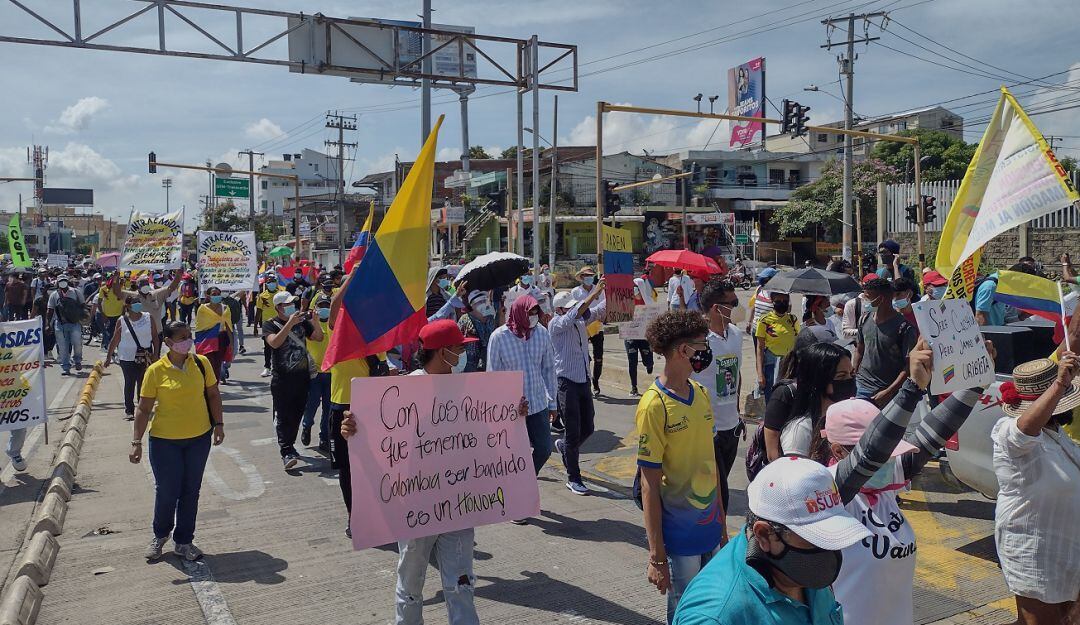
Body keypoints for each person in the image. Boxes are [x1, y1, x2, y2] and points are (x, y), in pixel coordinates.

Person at [341, 319, 524, 625]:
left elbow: (488, 432)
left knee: (461, 583)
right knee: (411, 585)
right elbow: (375, 438)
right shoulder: (403, 391)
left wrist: (513, 414)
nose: (463, 354)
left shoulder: (469, 389)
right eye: (458, 348)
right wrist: (352, 429)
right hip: (414, 511)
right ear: (442, 352)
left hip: (458, 506)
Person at [821, 338, 988, 625]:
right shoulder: (832, 490)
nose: (889, 462)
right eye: (884, 455)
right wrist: (911, 389)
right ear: (838, 451)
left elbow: (930, 437)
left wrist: (976, 381)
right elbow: (872, 453)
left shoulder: (882, 488)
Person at [672, 456, 872, 625]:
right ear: (764, 535)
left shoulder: (800, 573)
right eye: (814, 539)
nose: (828, 550)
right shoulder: (714, 615)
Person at [637, 310, 726, 624]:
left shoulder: (701, 394)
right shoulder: (654, 405)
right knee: (685, 611)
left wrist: (723, 527)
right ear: (682, 351)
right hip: (680, 535)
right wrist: (656, 556)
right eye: (701, 345)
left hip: (711, 529)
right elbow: (648, 484)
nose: (706, 351)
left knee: (714, 604)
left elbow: (711, 466)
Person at [993, 355, 1080, 624]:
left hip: (1064, 547)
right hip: (1033, 549)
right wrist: (1058, 387)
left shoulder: (1057, 433)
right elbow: (1024, 431)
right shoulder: (1007, 430)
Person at [129, 320, 225, 562]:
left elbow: (213, 394)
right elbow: (143, 408)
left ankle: (184, 541)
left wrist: (219, 425)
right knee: (167, 491)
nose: (187, 341)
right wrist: (136, 441)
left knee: (191, 491)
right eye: (181, 338)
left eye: (189, 336)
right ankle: (160, 535)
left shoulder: (202, 364)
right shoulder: (155, 371)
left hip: (198, 438)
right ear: (169, 343)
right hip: (165, 441)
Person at [487, 295, 557, 498]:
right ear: (518, 312)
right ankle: (516, 499)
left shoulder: (542, 334)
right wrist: (501, 406)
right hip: (512, 410)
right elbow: (493, 375)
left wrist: (552, 403)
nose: (534, 317)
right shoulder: (499, 337)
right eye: (530, 313)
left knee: (544, 449)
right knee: (515, 456)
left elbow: (548, 369)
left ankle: (524, 482)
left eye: (536, 312)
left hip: (537, 404)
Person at [690, 278, 745, 510]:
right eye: (732, 303)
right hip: (705, 429)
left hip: (730, 427)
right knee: (718, 493)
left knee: (718, 487)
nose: (737, 307)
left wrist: (738, 412)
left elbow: (737, 373)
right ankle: (715, 541)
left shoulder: (735, 334)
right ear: (716, 308)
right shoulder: (697, 340)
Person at [549, 281, 606, 495]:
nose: (576, 309)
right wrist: (595, 292)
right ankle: (574, 477)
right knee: (573, 431)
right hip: (566, 382)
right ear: (559, 309)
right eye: (570, 307)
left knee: (588, 427)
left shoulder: (579, 321)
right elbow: (576, 313)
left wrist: (616, 292)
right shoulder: (556, 324)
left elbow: (598, 311)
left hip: (583, 380)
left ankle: (565, 447)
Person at [763, 342, 854, 462]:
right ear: (820, 380)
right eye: (841, 376)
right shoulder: (800, 431)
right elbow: (795, 476)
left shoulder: (841, 417)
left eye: (852, 374)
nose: (850, 381)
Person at [263, 291, 321, 469]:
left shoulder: (302, 322)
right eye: (287, 304)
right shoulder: (270, 324)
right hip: (282, 379)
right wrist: (289, 323)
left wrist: (316, 322)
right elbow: (274, 342)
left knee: (297, 414)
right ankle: (286, 450)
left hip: (302, 378)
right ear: (278, 307)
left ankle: (290, 445)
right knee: (283, 416)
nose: (291, 307)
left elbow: (318, 337)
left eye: (292, 303)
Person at [853, 278, 918, 406]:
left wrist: (889, 391)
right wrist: (853, 376)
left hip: (885, 394)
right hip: (860, 387)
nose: (864, 300)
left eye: (867, 297)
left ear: (881, 299)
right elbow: (859, 350)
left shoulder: (904, 328)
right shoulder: (864, 319)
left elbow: (909, 366)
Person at [105, 296, 160, 420]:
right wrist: (109, 357)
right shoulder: (122, 320)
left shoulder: (148, 317)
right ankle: (129, 410)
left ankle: (142, 408)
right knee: (130, 382)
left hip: (146, 356)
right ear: (128, 306)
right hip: (127, 357)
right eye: (135, 303)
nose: (138, 305)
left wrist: (156, 354)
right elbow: (115, 339)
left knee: (143, 383)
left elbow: (155, 337)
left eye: (139, 302)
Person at [301, 293, 332, 451]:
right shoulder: (308, 325)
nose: (325, 309)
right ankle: (306, 426)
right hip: (314, 373)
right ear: (316, 308)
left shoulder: (335, 325)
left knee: (328, 407)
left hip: (332, 373)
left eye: (328, 306)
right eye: (322, 306)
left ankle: (324, 437)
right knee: (312, 403)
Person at [754, 291, 797, 403]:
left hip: (790, 364)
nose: (782, 303)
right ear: (772, 302)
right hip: (771, 364)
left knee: (789, 396)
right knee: (772, 397)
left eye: (785, 301)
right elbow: (759, 348)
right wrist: (760, 374)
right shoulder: (764, 321)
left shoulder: (793, 320)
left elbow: (798, 341)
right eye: (778, 301)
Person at [570, 266, 606, 398]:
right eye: (586, 275)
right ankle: (586, 381)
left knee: (599, 357)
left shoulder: (600, 290)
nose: (589, 278)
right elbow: (573, 309)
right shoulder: (575, 292)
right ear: (582, 278)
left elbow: (604, 306)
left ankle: (596, 381)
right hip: (581, 327)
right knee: (584, 357)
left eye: (591, 275)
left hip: (597, 326)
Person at [115, 271, 182, 331]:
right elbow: (117, 292)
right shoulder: (132, 296)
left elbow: (172, 287)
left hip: (157, 331)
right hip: (140, 333)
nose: (145, 286)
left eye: (146, 284)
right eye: (142, 284)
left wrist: (178, 274)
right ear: (138, 286)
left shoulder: (156, 294)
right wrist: (116, 278)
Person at [47, 274, 86, 376]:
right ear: (58, 283)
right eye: (61, 281)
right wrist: (48, 324)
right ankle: (65, 367)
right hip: (60, 324)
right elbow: (50, 310)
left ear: (67, 281)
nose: (63, 282)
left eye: (64, 280)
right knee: (63, 347)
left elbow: (83, 305)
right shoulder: (54, 295)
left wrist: (81, 316)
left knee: (77, 343)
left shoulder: (76, 292)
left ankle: (77, 360)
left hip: (75, 323)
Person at [194, 287, 233, 382]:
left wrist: (231, 343)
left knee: (217, 364)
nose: (216, 296)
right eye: (214, 294)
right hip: (207, 340)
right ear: (208, 296)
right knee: (208, 364)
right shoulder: (202, 309)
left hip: (221, 340)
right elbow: (199, 328)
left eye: (218, 294)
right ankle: (207, 386)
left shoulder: (225, 308)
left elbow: (228, 327)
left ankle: (214, 387)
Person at [458, 290, 497, 372]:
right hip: (469, 366)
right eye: (480, 301)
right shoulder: (464, 320)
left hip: (487, 364)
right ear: (472, 305)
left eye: (484, 300)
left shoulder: (490, 319)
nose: (483, 303)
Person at [254, 274, 283, 377]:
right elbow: (258, 311)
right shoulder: (262, 296)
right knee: (267, 347)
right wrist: (255, 327)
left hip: (280, 323)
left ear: (276, 283)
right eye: (269, 282)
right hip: (267, 325)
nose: (271, 284)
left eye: (273, 282)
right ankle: (267, 367)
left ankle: (278, 367)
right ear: (266, 284)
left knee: (280, 346)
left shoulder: (280, 295)